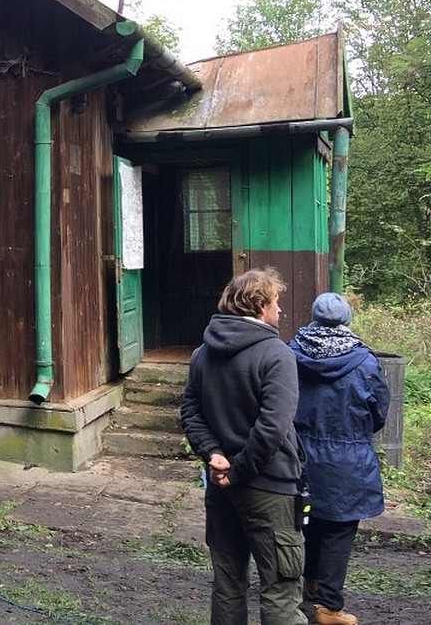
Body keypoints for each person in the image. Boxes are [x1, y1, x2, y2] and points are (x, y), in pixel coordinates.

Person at [180, 267, 306, 625]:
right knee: (281, 588)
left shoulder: (203, 353)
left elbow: (191, 412)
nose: (280, 310)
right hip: (269, 488)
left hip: (220, 487)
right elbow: (273, 428)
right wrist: (237, 470)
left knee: (228, 584)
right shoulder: (276, 354)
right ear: (260, 305)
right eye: (276, 302)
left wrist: (214, 455)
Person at [289, 293, 390, 625]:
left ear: (314, 317)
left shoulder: (292, 352)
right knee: (339, 530)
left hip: (301, 456)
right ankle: (329, 607)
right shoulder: (364, 361)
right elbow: (378, 412)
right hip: (348, 459)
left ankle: (309, 588)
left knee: (309, 523)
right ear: (346, 319)